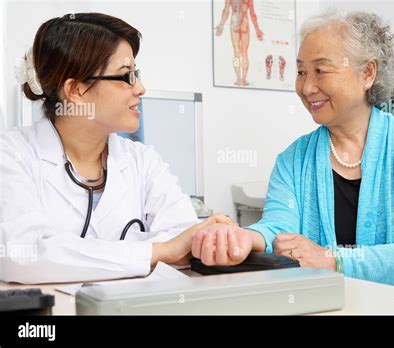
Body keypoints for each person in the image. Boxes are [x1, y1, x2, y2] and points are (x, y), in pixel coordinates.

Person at [191, 10, 394, 297]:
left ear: (367, 73)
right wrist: (247, 237)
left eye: (320, 70)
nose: (307, 87)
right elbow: (278, 227)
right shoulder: (293, 160)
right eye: (301, 72)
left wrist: (332, 261)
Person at [0, 13, 232, 284]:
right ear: (75, 90)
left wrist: (67, 255)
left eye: (137, 74)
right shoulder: (13, 154)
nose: (141, 88)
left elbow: (184, 237)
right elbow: (22, 253)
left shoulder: (142, 161)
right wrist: (156, 251)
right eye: (126, 76)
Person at [215, 0, 264, 86]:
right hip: (245, 23)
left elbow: (226, 10)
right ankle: (244, 79)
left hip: (234, 22)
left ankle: (238, 79)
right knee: (244, 53)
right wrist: (257, 30)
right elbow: (252, 13)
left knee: (236, 52)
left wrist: (221, 25)